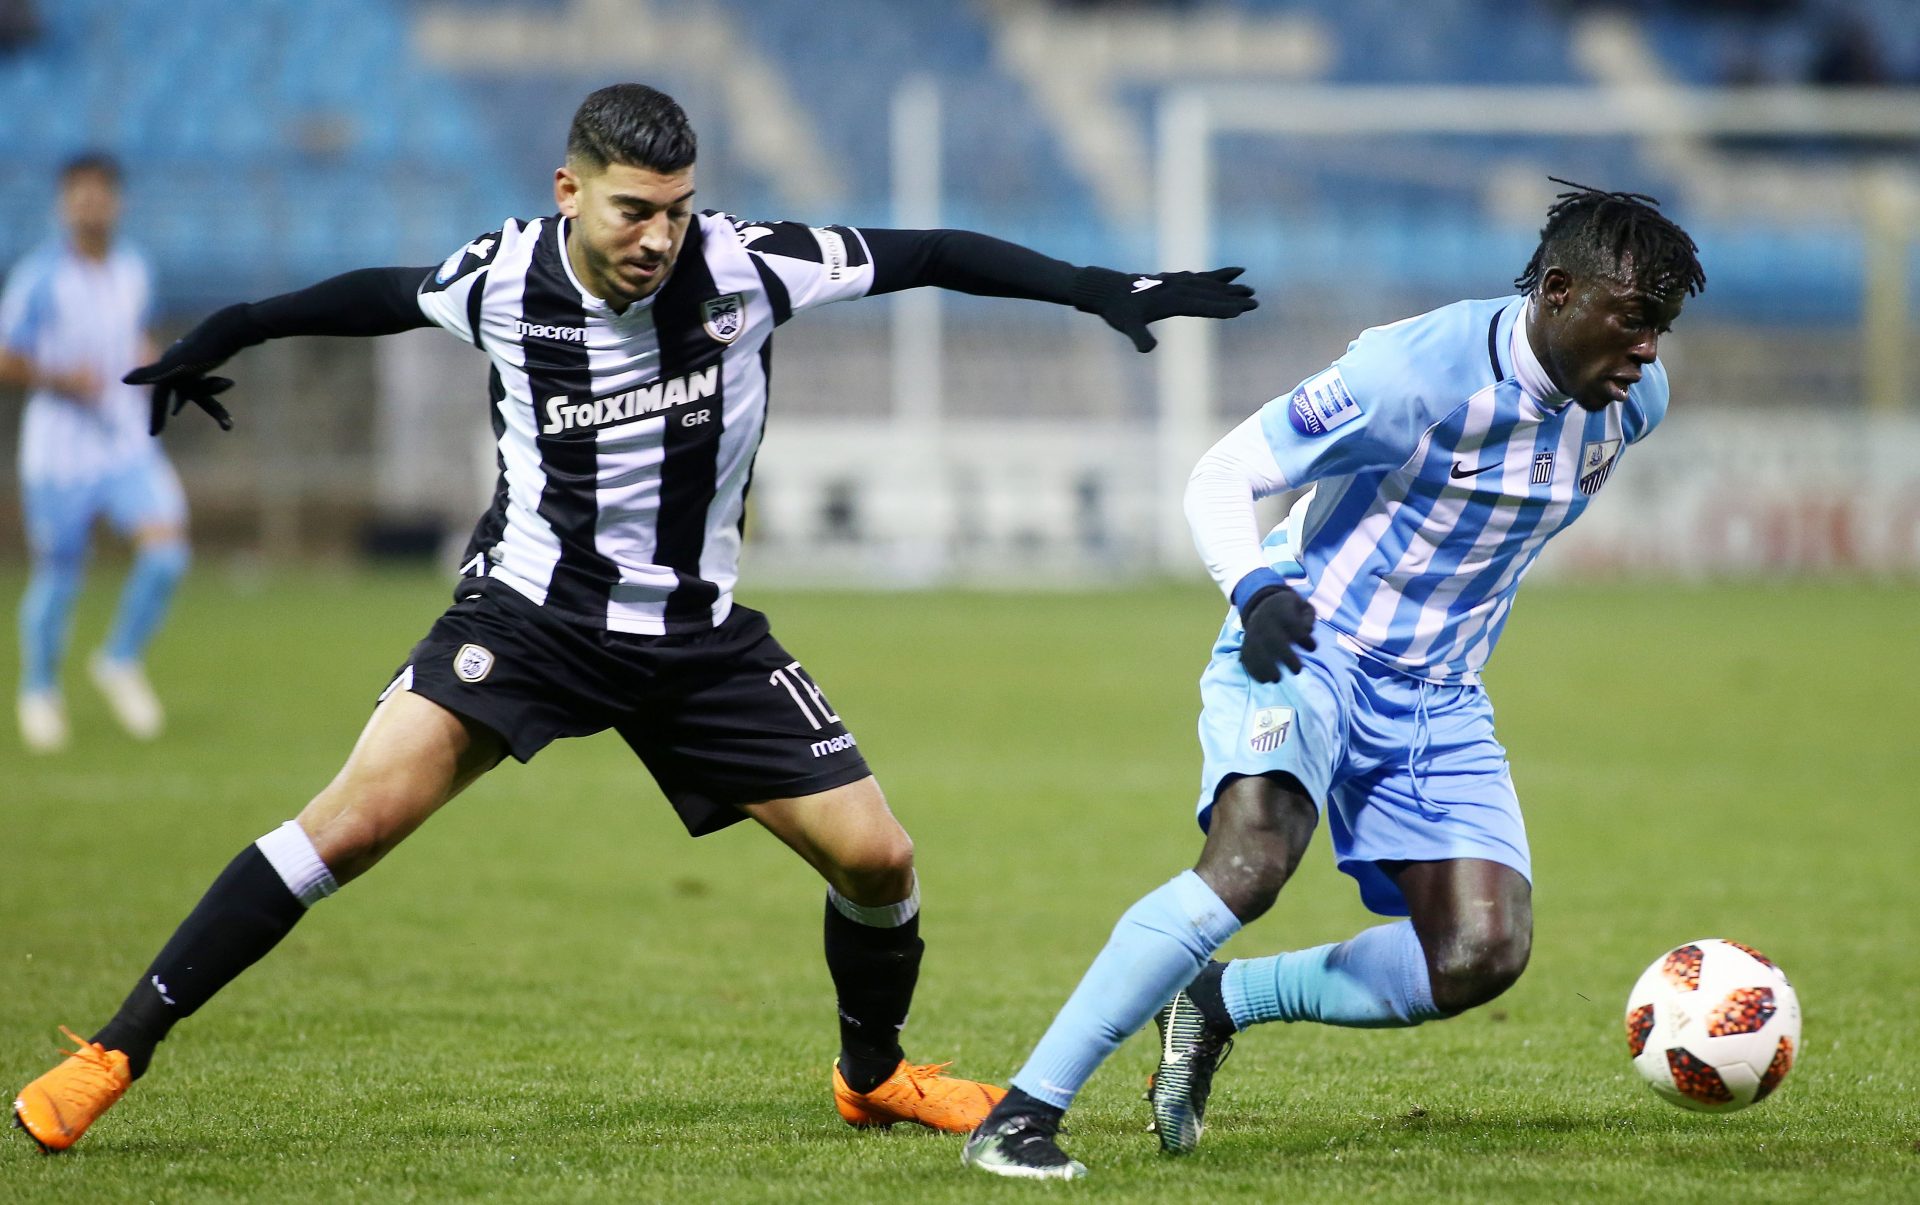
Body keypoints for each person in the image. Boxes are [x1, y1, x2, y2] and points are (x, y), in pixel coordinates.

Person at [9, 83, 1256, 1154]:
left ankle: (873, 1072)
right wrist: (231, 327)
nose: (660, 236)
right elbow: (380, 292)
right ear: (570, 190)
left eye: (677, 209)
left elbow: (928, 250)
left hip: (698, 639)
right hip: (528, 618)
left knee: (880, 858)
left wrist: (1095, 285)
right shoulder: (503, 276)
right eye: (633, 210)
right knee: (349, 824)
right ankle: (115, 1049)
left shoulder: (748, 263)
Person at [963, 181, 1705, 1179]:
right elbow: (1222, 474)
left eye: (1662, 326)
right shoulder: (1413, 373)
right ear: (1560, 292)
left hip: (1440, 694)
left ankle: (1221, 999)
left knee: (1479, 950)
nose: (1650, 350)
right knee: (1249, 863)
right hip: (1311, 645)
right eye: (1633, 320)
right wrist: (1259, 589)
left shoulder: (1630, 404)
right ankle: (1019, 1115)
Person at [1, 152, 188, 753]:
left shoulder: (134, 268)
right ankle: (39, 690)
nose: (90, 205)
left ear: (116, 202)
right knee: (59, 575)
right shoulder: (40, 277)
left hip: (126, 442)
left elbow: (134, 334)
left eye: (99, 194)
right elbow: (6, 356)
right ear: (64, 205)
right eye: (79, 196)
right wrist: (59, 377)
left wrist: (152, 362)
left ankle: (118, 657)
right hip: (60, 453)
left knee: (166, 554)